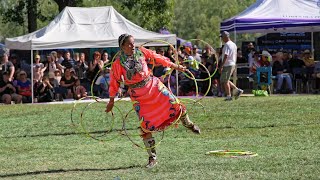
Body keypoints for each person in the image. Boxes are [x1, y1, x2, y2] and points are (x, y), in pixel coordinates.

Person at [105, 34, 200, 168]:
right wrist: (111, 101)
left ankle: (189, 124)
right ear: (122, 46)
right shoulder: (118, 63)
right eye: (129, 44)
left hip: (154, 86)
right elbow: (114, 82)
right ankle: (152, 158)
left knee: (174, 103)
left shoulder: (141, 52)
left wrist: (176, 66)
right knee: (145, 125)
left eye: (133, 43)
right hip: (139, 96)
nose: (133, 46)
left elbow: (158, 58)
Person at [220, 31, 243, 101]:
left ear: (225, 37)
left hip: (228, 64)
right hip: (232, 63)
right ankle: (237, 90)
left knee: (225, 81)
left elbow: (226, 55)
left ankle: (229, 96)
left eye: (222, 37)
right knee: (224, 79)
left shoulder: (227, 45)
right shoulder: (234, 45)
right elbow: (235, 55)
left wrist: (221, 65)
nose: (222, 39)